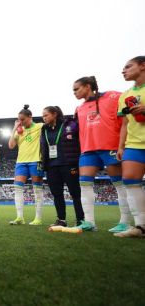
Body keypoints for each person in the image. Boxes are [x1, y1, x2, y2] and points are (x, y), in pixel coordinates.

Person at [73, 76, 131, 232]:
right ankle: (90, 222)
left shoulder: (112, 96)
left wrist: (122, 144)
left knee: (119, 184)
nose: (74, 93)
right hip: (88, 150)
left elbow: (131, 101)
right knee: (84, 184)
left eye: (76, 89)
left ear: (87, 86)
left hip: (110, 146)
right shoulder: (80, 108)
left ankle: (125, 221)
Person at [115, 56, 145, 238]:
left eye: (128, 66)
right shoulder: (125, 95)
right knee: (130, 179)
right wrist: (121, 146)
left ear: (143, 66)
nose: (123, 70)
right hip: (134, 144)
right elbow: (124, 124)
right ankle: (141, 226)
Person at [40, 106, 84, 227]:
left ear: (54, 114)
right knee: (56, 194)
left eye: (46, 115)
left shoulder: (68, 125)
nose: (44, 118)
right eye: (43, 116)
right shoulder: (44, 129)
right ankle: (61, 220)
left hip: (68, 163)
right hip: (51, 166)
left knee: (75, 192)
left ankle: (81, 219)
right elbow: (43, 147)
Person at [8, 105, 44, 225]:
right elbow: (11, 145)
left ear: (30, 117)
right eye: (19, 120)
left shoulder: (40, 127)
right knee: (18, 189)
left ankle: (38, 219)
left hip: (36, 161)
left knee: (37, 190)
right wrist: (14, 128)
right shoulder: (19, 131)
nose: (21, 122)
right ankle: (20, 218)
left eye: (23, 119)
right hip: (21, 162)